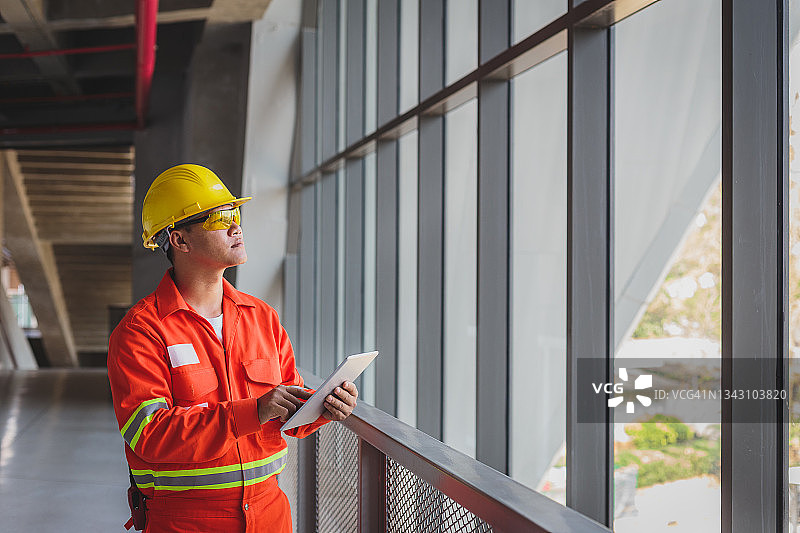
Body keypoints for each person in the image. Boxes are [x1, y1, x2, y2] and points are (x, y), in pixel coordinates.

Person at [108, 164, 358, 533]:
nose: (235, 226)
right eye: (218, 217)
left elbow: (287, 409)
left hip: (270, 513)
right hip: (187, 521)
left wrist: (323, 406)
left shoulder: (262, 318)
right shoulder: (141, 331)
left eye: (235, 213)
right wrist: (251, 411)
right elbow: (149, 433)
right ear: (180, 240)